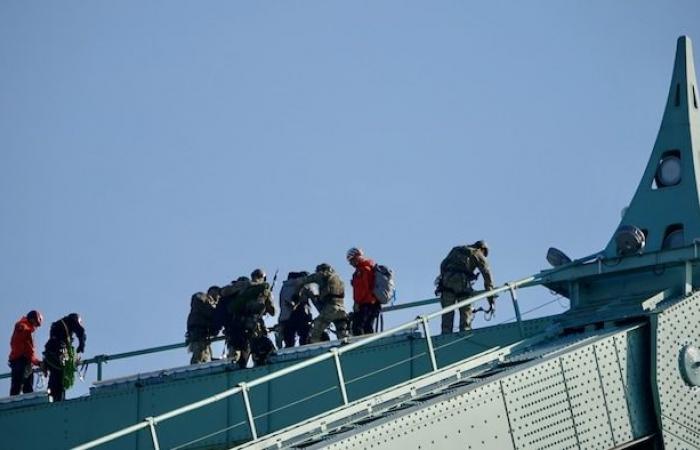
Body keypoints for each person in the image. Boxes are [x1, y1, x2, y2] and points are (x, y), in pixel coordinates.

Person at [436, 241, 495, 334]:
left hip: (446, 283)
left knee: (447, 312)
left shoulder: (456, 249)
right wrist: (491, 299)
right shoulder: (477, 253)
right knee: (466, 310)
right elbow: (487, 275)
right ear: (482, 249)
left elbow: (443, 265)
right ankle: (465, 334)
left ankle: (445, 335)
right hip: (462, 282)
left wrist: (444, 279)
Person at [228, 269, 275, 368]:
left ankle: (238, 365)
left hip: (237, 324)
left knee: (242, 348)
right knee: (261, 347)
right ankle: (257, 364)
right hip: (254, 324)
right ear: (263, 277)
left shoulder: (242, 286)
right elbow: (273, 312)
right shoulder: (263, 288)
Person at [299, 263, 349, 343]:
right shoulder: (338, 279)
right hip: (342, 308)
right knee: (342, 333)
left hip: (330, 308)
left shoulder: (323, 274)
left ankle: (316, 350)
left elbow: (307, 279)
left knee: (315, 334)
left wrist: (299, 283)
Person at [42, 313, 86, 402]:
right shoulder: (71, 321)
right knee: (64, 372)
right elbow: (81, 331)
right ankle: (59, 398)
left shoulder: (58, 324)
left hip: (49, 354)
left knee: (55, 376)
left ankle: (52, 397)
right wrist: (82, 345)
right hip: (60, 352)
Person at [346, 247, 381, 336]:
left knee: (357, 327)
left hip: (366, 304)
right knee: (368, 327)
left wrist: (357, 302)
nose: (351, 263)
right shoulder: (369, 268)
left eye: (351, 260)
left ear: (357, 257)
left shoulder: (362, 271)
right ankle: (370, 345)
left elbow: (362, 289)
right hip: (374, 303)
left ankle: (361, 347)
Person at [8, 310, 43, 396]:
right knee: (17, 386)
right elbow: (26, 349)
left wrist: (38, 362)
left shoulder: (25, 329)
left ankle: (27, 400)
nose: (36, 327)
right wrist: (38, 363)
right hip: (20, 361)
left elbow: (29, 351)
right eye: (36, 324)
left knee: (27, 387)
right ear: (32, 319)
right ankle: (14, 403)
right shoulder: (23, 327)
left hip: (25, 361)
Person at [186, 286, 221, 364]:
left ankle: (202, 363)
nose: (218, 296)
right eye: (218, 293)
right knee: (199, 351)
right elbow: (198, 298)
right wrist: (212, 306)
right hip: (198, 329)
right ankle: (195, 367)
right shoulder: (203, 296)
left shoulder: (211, 303)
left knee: (205, 351)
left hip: (203, 331)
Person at [278, 271, 314, 347]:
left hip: (284, 318)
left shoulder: (284, 288)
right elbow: (314, 298)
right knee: (305, 340)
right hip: (300, 317)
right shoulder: (302, 285)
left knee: (289, 343)